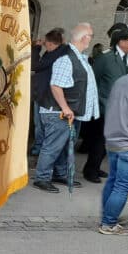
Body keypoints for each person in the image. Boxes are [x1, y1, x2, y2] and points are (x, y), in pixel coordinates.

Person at [33, 23, 99, 193]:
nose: (91, 39)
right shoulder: (66, 57)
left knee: (63, 146)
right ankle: (42, 178)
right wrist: (65, 107)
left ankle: (60, 174)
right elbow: (56, 85)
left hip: (70, 111)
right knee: (53, 146)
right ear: (85, 38)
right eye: (91, 36)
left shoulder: (76, 57)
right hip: (59, 111)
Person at [85, 25, 128, 183]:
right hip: (105, 108)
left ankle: (95, 167)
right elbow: (92, 81)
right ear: (121, 41)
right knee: (99, 141)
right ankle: (90, 171)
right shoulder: (105, 58)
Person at [98, 59, 128, 235]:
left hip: (114, 139)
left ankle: (107, 216)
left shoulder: (121, 80)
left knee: (113, 181)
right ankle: (109, 223)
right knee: (122, 186)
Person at [32, 28, 68, 156]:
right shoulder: (57, 52)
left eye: (46, 42)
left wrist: (36, 48)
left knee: (41, 125)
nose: (44, 44)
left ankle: (39, 150)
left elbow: (34, 65)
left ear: (51, 44)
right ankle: (40, 148)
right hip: (44, 94)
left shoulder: (54, 55)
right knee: (41, 125)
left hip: (45, 96)